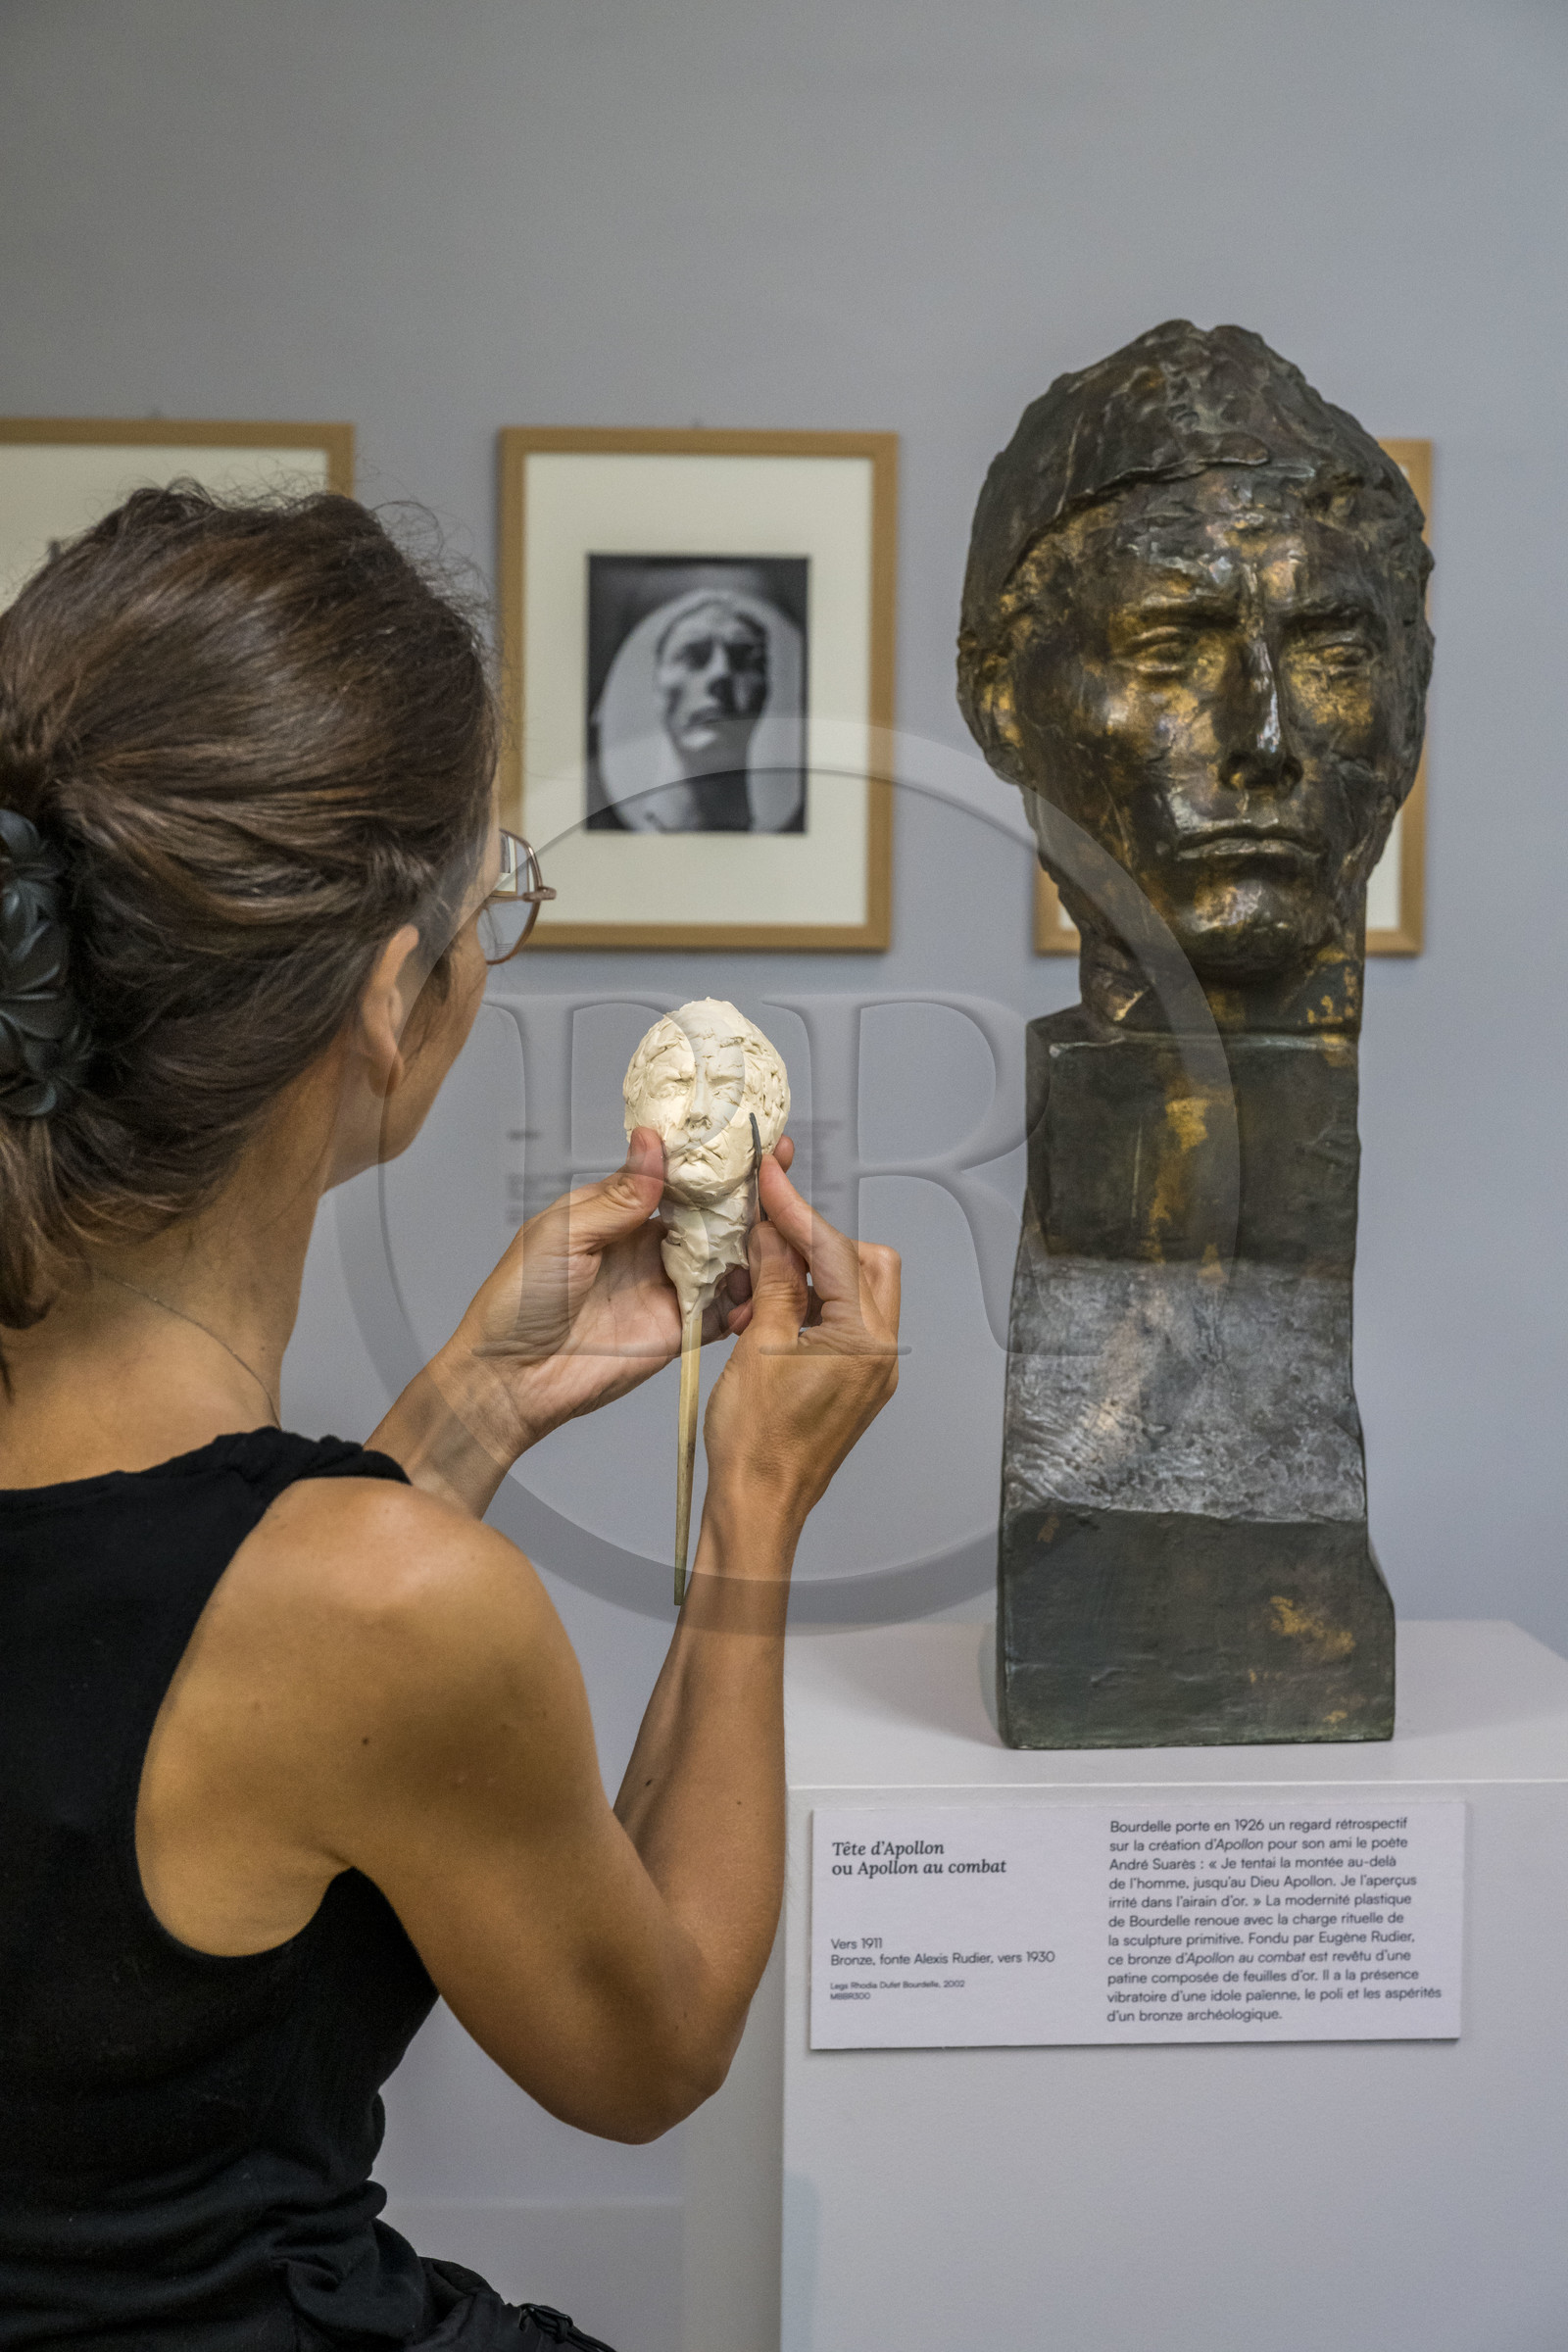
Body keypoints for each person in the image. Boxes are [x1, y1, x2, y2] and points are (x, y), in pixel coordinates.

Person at [0, 487, 900, 2351]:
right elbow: (646, 2051)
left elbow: (146, 1647)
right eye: (493, 896)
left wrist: (478, 1402)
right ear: (394, 1001)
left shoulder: (316, 1583)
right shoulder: (385, 1614)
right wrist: (753, 1505)